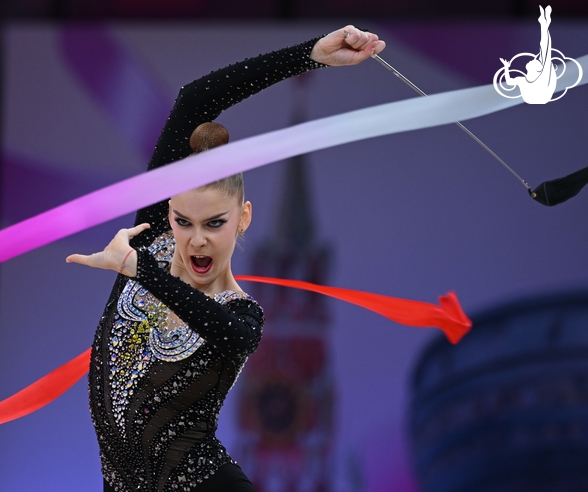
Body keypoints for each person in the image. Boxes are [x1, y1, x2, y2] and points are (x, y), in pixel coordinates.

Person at [66, 25, 385, 492]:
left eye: (214, 223)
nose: (195, 241)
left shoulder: (240, 315)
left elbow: (228, 333)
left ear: (242, 220)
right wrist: (310, 54)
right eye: (183, 221)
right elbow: (194, 100)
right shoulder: (145, 241)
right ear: (167, 214)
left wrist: (140, 270)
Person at [500, 5, 556, 104]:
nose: (533, 59)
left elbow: (545, 48)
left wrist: (544, 26)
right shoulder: (522, 80)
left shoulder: (542, 76)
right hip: (533, 98)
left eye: (536, 61)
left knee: (545, 50)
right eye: (536, 60)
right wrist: (506, 67)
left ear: (537, 69)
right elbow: (509, 82)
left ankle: (544, 24)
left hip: (541, 97)